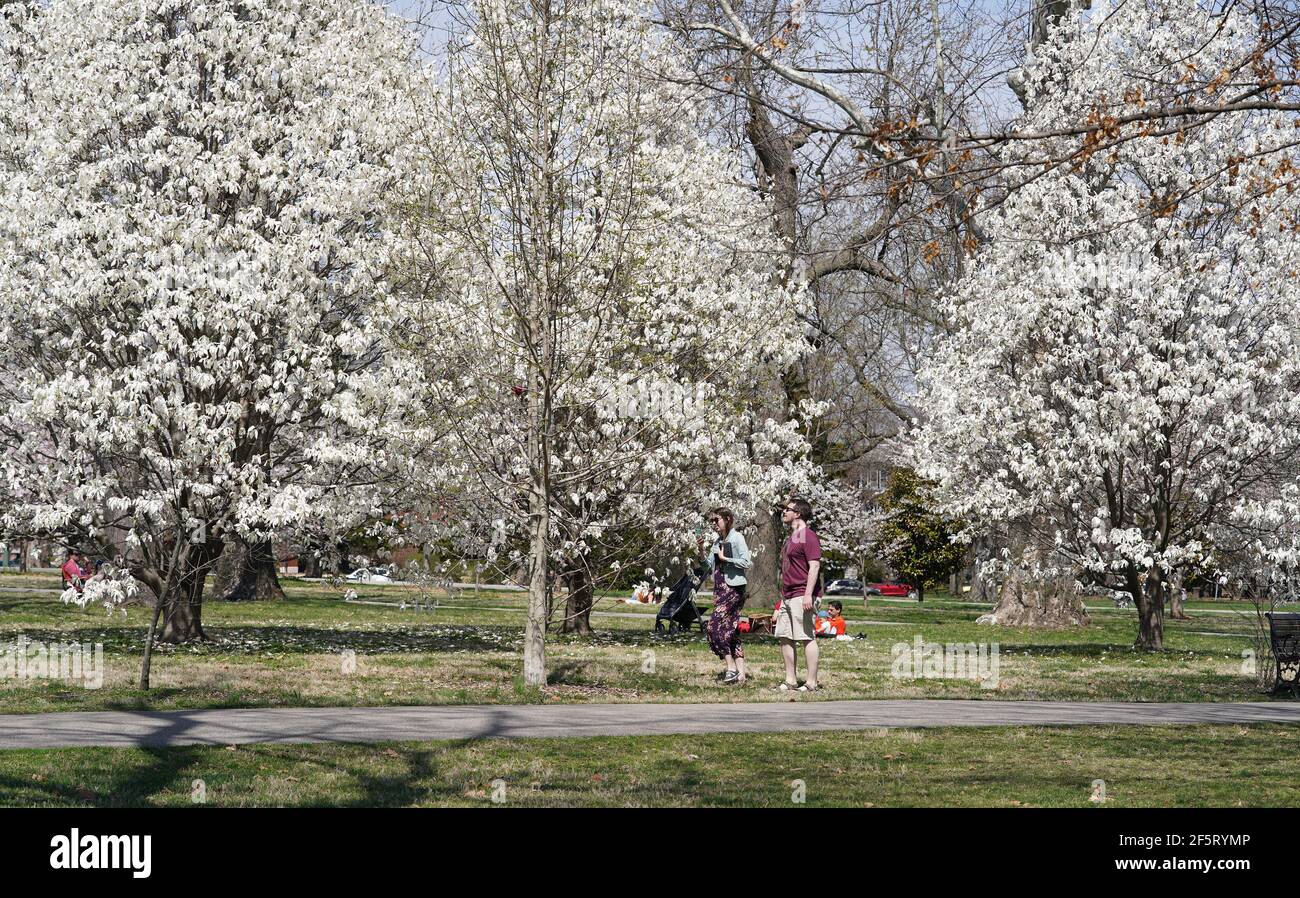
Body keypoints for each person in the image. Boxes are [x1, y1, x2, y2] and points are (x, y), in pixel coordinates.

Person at [700, 506, 751, 685]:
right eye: (712, 521)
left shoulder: (737, 538)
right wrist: (700, 550)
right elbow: (707, 566)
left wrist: (726, 559)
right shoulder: (717, 541)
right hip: (720, 588)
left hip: (734, 589)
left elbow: (746, 561)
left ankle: (730, 668)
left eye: (717, 520)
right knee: (731, 631)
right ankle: (741, 674)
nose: (714, 524)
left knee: (714, 627)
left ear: (728, 519)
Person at [776, 497, 822, 691]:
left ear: (798, 513)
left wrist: (808, 595)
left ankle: (811, 682)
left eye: (787, 509)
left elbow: (815, 565)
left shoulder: (808, 536)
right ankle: (791, 680)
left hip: (803, 593)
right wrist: (780, 601)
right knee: (785, 636)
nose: (783, 512)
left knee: (806, 636)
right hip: (788, 594)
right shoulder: (791, 538)